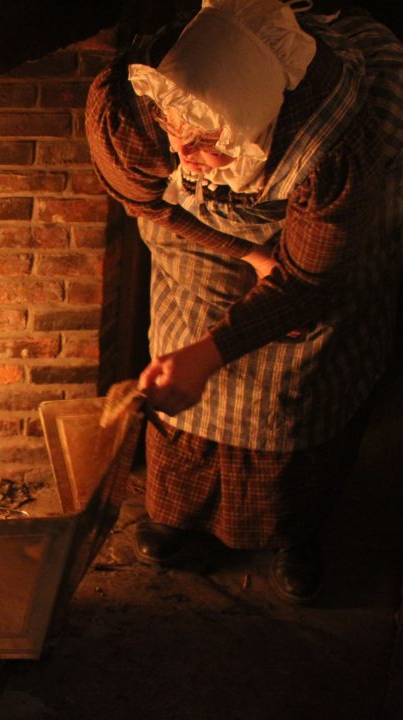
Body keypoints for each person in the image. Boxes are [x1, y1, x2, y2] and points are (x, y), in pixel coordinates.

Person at [84, 0, 403, 603]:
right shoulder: (136, 110)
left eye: (208, 144)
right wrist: (250, 255)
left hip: (325, 224)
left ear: (258, 131)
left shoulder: (334, 151)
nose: (185, 158)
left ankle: (291, 529)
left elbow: (308, 283)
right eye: (178, 133)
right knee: (184, 333)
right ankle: (179, 513)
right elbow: (146, 200)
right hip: (202, 222)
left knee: (301, 364)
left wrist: (211, 355)